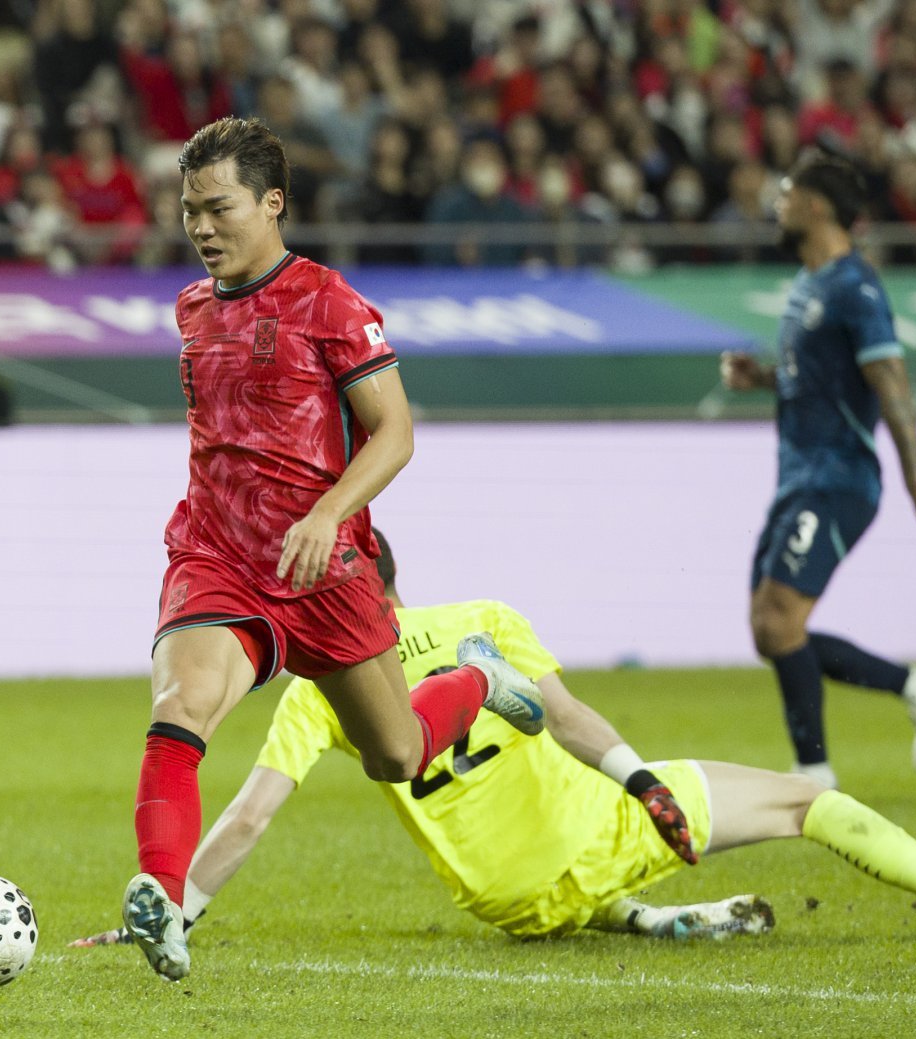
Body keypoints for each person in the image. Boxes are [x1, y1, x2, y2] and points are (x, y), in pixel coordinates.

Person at [77, 533, 916, 949]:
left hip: (503, 899)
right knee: (806, 801)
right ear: (391, 576)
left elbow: (249, 817)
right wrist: (641, 781)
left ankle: (653, 920)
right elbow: (575, 720)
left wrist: (173, 911)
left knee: (568, 881)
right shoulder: (483, 617)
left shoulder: (320, 686)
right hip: (595, 834)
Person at [124, 117, 548, 982]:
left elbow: (395, 432)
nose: (200, 227)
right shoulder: (192, 307)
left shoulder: (330, 303)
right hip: (216, 552)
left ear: (272, 202)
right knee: (181, 702)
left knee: (396, 755)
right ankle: (161, 899)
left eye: (218, 207)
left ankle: (476, 678)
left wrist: (326, 515)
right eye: (189, 210)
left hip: (323, 565)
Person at [719, 154, 916, 791]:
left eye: (787, 193)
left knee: (779, 620)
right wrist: (764, 377)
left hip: (840, 479)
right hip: (799, 477)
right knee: (769, 630)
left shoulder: (856, 287)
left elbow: (890, 380)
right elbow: (818, 378)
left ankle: (814, 773)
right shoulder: (809, 284)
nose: (778, 204)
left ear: (818, 205)